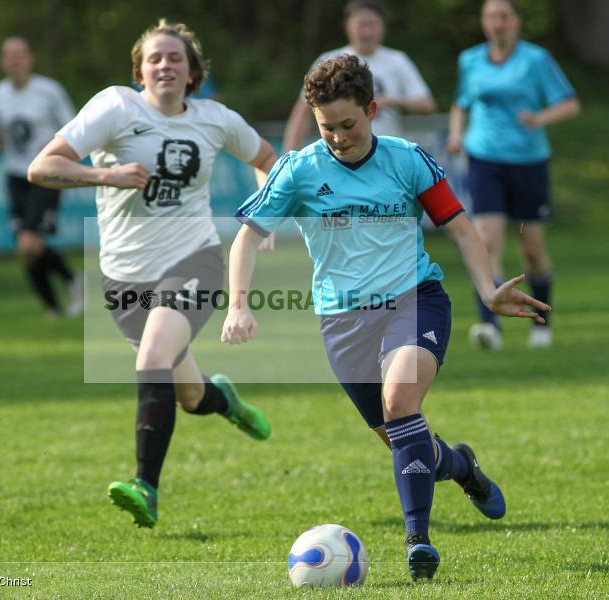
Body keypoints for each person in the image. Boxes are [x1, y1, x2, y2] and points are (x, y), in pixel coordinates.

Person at [222, 54, 549, 581]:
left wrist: (488, 291)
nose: (338, 138)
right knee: (407, 441)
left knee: (400, 404)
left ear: (372, 110)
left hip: (414, 299)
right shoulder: (299, 169)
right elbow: (246, 238)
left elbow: (460, 228)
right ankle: (461, 465)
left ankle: (418, 541)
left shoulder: (407, 159)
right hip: (342, 322)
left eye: (348, 124)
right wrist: (238, 304)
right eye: (327, 127)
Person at [28, 20, 278, 529]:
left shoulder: (215, 119)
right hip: (124, 279)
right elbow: (42, 167)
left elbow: (267, 158)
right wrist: (106, 175)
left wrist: (264, 214)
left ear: (193, 73)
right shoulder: (115, 107)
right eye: (155, 58)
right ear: (139, 72)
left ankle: (146, 485)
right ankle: (223, 399)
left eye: (175, 58)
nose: (165, 65)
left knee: (153, 358)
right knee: (189, 396)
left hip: (194, 259)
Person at [446, 0, 580, 350]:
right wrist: (456, 134)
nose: (498, 23)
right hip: (484, 159)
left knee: (531, 248)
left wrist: (540, 118)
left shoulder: (536, 60)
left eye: (504, 16)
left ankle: (541, 325)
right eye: (491, 16)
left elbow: (569, 103)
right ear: (483, 21)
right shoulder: (470, 60)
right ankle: (489, 326)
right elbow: (461, 103)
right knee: (486, 241)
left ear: (516, 21)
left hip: (528, 162)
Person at [0, 36, 83, 319]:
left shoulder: (49, 91)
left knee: (28, 242)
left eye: (20, 54)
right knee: (27, 249)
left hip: (47, 173)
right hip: (15, 175)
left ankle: (72, 281)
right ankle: (54, 306)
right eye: (9, 54)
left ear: (29, 58)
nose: (15, 60)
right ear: (2, 61)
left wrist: (54, 145)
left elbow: (73, 127)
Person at [282, 0, 436, 153]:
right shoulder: (329, 61)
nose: (367, 32)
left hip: (385, 153)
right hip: (339, 154)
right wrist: (287, 155)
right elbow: (303, 112)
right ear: (347, 26)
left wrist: (392, 99)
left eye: (372, 24)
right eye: (361, 25)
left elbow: (427, 104)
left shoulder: (397, 60)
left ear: (382, 26)